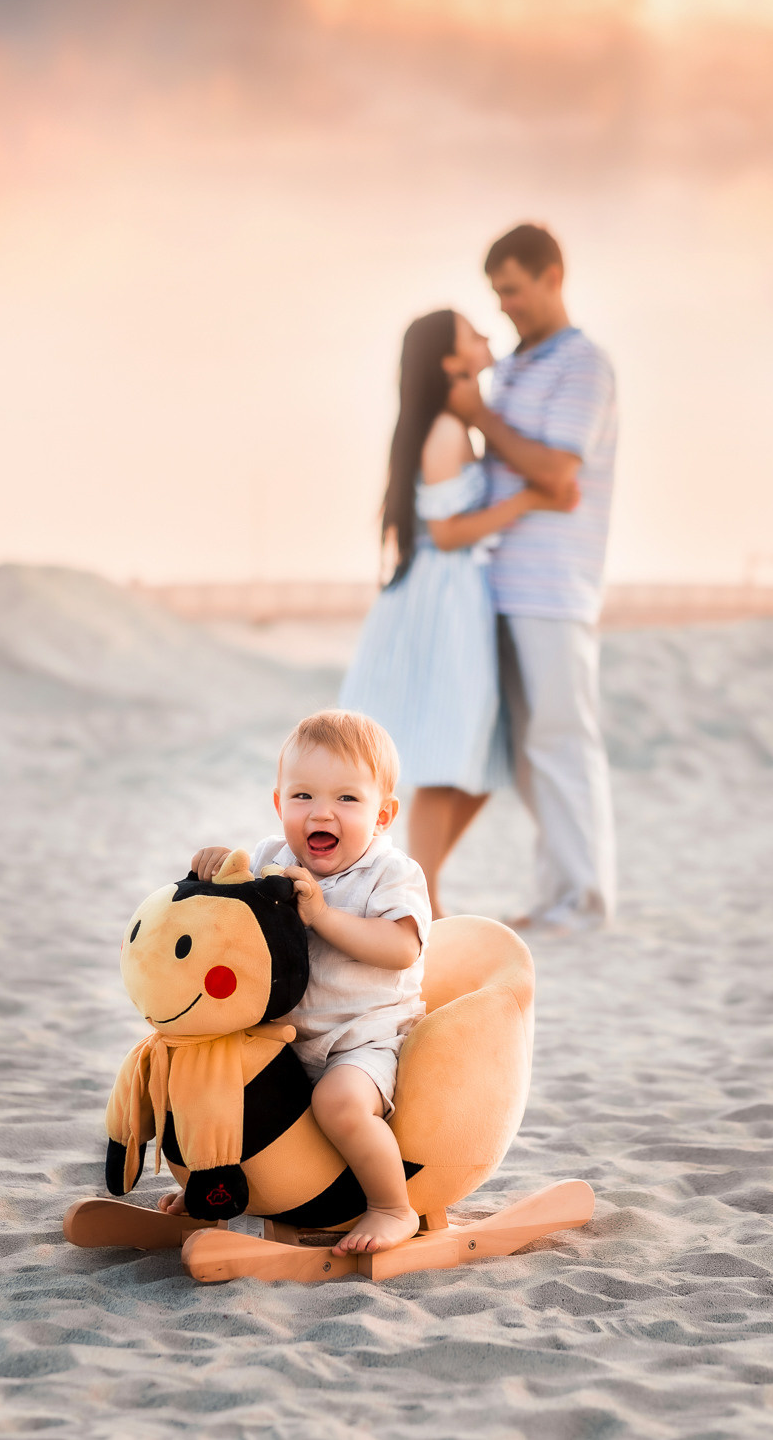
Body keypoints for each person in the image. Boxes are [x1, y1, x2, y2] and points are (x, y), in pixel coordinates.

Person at [163, 709, 432, 1256]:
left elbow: (401, 947)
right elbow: (229, 917)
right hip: (283, 1040)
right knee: (214, 1084)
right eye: (303, 797)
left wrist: (325, 917)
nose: (321, 813)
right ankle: (209, 1187)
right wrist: (214, 871)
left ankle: (391, 1206)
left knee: (339, 1103)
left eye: (347, 800)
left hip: (362, 1040)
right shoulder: (269, 859)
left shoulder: (391, 872)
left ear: (383, 815)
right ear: (279, 803)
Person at [340, 308, 577, 916]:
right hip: (442, 602)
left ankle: (418, 886)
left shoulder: (450, 424)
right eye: (473, 335)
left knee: (470, 760)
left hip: (450, 600)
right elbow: (446, 532)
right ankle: (427, 900)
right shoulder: (446, 430)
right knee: (448, 761)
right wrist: (529, 497)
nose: (486, 339)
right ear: (450, 362)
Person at [447, 223, 618, 932]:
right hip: (500, 582)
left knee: (562, 741)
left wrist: (480, 414)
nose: (505, 306)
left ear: (552, 277)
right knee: (528, 752)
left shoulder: (584, 365)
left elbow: (555, 469)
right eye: (496, 293)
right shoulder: (514, 365)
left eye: (513, 289)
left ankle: (585, 900)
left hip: (555, 585)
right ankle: (556, 897)